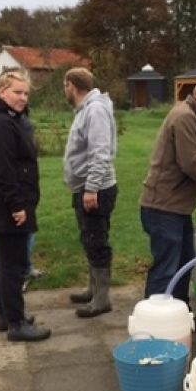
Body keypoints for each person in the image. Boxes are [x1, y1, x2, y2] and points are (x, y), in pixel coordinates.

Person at [139, 75, 196, 332]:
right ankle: (155, 329)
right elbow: (192, 164)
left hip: (174, 208)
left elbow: (188, 167)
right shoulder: (185, 118)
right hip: (162, 208)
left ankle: (180, 320)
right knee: (166, 269)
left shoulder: (191, 116)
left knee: (183, 263)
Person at [0, 68, 51, 342]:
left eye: (26, 93)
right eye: (17, 92)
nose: (23, 98)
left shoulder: (10, 119)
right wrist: (17, 206)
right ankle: (16, 323)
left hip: (7, 204)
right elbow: (3, 170)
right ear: (1, 92)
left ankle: (5, 314)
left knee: (3, 261)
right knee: (13, 265)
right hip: (7, 205)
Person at [62, 67, 118, 318]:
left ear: (71, 85)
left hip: (94, 189)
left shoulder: (95, 110)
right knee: (89, 238)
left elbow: (100, 151)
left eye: (65, 86)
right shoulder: (87, 109)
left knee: (97, 240)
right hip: (84, 187)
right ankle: (93, 289)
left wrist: (92, 187)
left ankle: (101, 299)